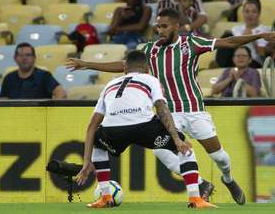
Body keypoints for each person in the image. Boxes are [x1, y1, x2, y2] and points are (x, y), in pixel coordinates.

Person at [67, 8, 275, 205]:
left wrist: (261, 35)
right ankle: (200, 184)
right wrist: (86, 64)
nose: (159, 30)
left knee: (219, 157)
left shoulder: (191, 43)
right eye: (157, 26)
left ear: (176, 26)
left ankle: (228, 179)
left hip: (194, 110)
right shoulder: (150, 50)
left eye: (164, 26)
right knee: (166, 155)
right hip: (168, 114)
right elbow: (125, 65)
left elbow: (227, 42)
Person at [75, 50, 217, 209]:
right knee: (186, 149)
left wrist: (87, 161)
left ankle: (105, 197)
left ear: (124, 68)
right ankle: (195, 199)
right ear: (147, 68)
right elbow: (161, 107)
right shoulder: (150, 79)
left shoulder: (110, 84)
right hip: (144, 127)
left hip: (113, 130)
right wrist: (177, 139)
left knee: (99, 145)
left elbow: (92, 125)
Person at [0, 43, 67, 99]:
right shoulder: (9, 78)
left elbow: (61, 93)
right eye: (21, 55)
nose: (24, 58)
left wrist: (52, 111)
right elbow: (3, 101)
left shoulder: (44, 76)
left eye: (28, 55)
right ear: (15, 58)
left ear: (34, 58)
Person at [232, 0, 270, 67]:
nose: (250, 15)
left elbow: (262, 54)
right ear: (242, 13)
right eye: (247, 11)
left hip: (254, 62)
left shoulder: (265, 31)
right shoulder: (236, 29)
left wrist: (252, 39)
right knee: (226, 36)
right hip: (235, 60)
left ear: (258, 14)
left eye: (254, 12)